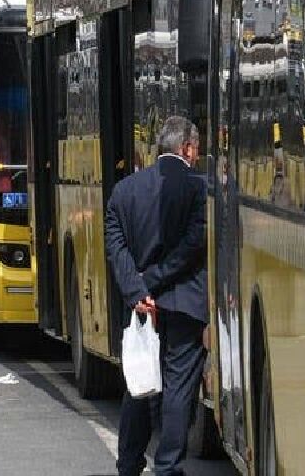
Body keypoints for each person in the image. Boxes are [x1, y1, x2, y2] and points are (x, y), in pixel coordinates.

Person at [105, 115, 207, 476]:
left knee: (139, 385)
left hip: (141, 308)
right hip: (185, 304)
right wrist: (155, 281)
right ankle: (167, 468)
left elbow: (116, 248)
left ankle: (129, 463)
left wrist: (137, 290)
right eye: (196, 151)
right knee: (178, 389)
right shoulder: (199, 188)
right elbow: (195, 244)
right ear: (187, 148)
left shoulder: (124, 191)